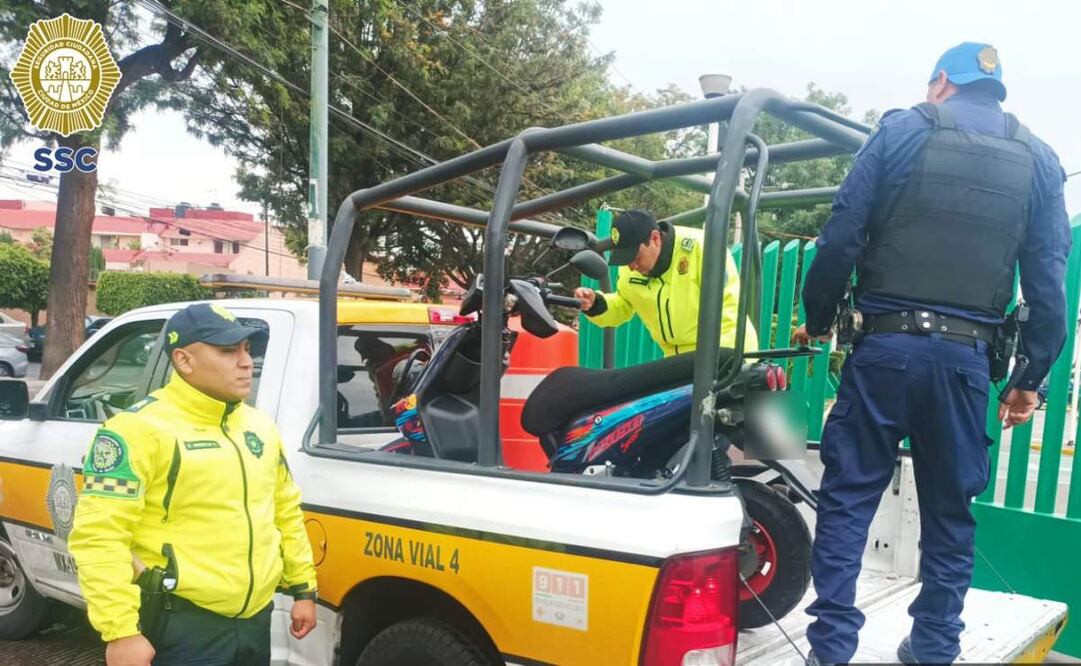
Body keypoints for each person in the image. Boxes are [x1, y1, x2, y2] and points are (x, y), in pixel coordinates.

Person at [793, 42, 1070, 665]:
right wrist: (1029, 378)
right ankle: (934, 647)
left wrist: (815, 319)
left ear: (941, 83)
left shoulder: (900, 130)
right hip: (967, 363)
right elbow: (1049, 281)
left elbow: (840, 236)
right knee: (950, 512)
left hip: (884, 351)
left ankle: (831, 651)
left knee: (848, 502)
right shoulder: (1041, 160)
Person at [69, 303, 319, 666]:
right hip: (180, 624)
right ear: (185, 361)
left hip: (254, 619)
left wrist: (302, 589)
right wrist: (120, 631)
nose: (246, 362)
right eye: (228, 351)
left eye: (248, 349)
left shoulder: (259, 427)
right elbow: (100, 537)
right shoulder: (136, 431)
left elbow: (284, 510)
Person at [574, 209, 757, 355]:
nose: (631, 266)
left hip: (722, 352)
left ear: (655, 238)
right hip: (676, 359)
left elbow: (725, 310)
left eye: (634, 257)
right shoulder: (631, 268)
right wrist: (596, 303)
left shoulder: (702, 248)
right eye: (625, 259)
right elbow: (624, 304)